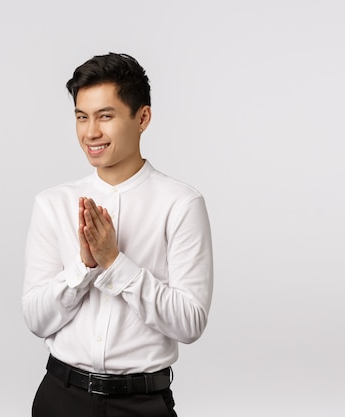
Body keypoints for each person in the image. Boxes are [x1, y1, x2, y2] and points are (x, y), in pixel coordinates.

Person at [22, 52, 213, 417]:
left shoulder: (182, 204)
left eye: (105, 116)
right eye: (82, 117)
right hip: (61, 398)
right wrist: (84, 267)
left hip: (141, 404)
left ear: (143, 117)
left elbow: (190, 323)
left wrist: (114, 263)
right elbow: (36, 319)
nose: (90, 132)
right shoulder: (52, 203)